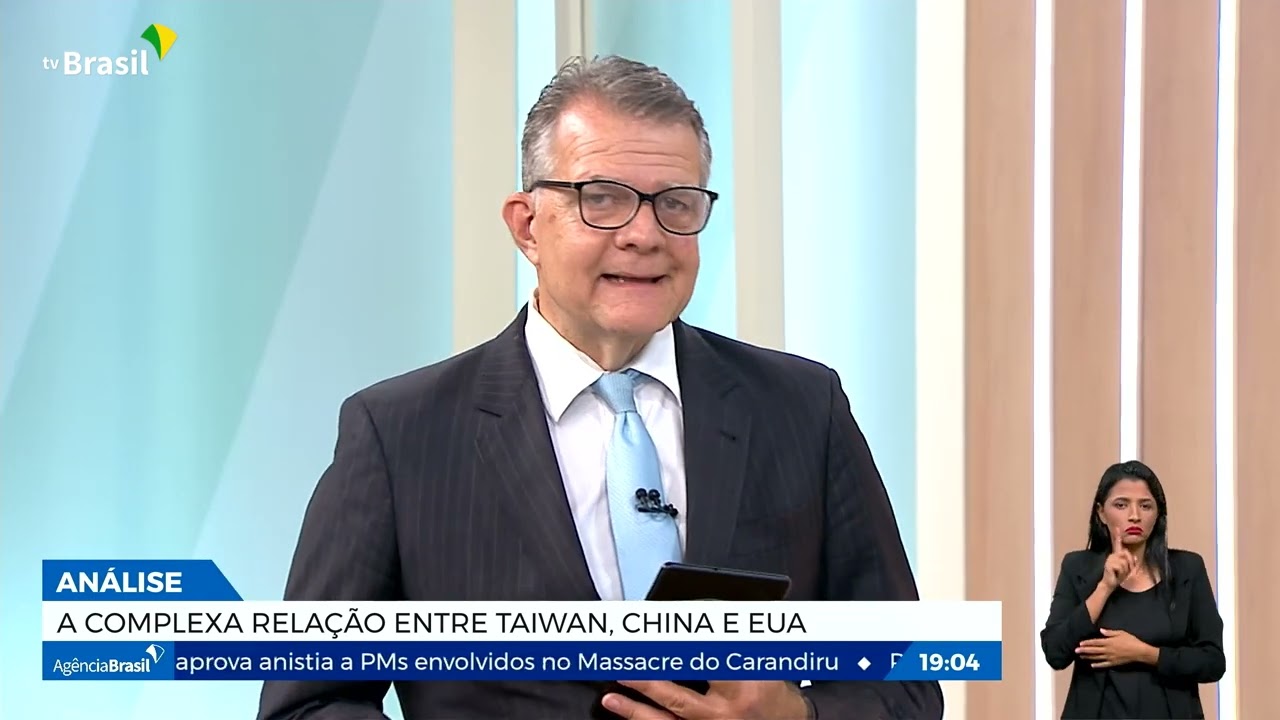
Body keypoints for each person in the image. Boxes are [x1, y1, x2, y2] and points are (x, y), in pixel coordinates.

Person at [257, 54, 942, 720]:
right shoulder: (401, 435)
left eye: (676, 204)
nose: (644, 234)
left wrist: (797, 715)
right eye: (602, 199)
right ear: (527, 226)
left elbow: (907, 684)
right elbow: (309, 702)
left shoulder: (802, 409)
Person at [1040, 460, 1225, 719]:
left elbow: (1213, 662)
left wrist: (1145, 653)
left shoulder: (1187, 569)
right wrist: (1105, 587)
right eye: (1121, 504)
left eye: (1146, 505)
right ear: (1101, 513)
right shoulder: (1077, 567)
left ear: (1158, 514)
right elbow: (1055, 652)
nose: (1134, 515)